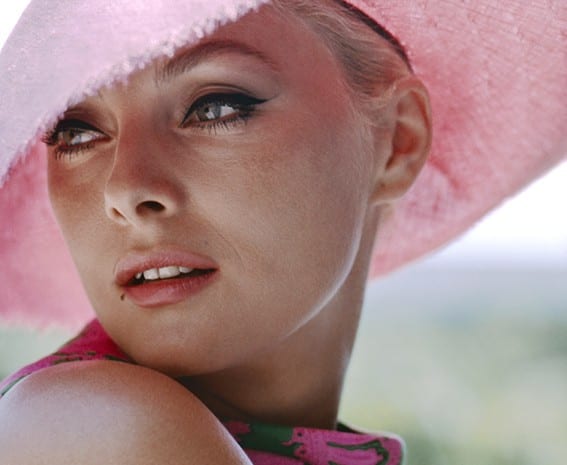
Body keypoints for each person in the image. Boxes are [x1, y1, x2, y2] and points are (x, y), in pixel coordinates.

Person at [0, 1, 564, 464]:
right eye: (75, 132)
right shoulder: (101, 432)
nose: (125, 189)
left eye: (214, 108)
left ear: (398, 141)